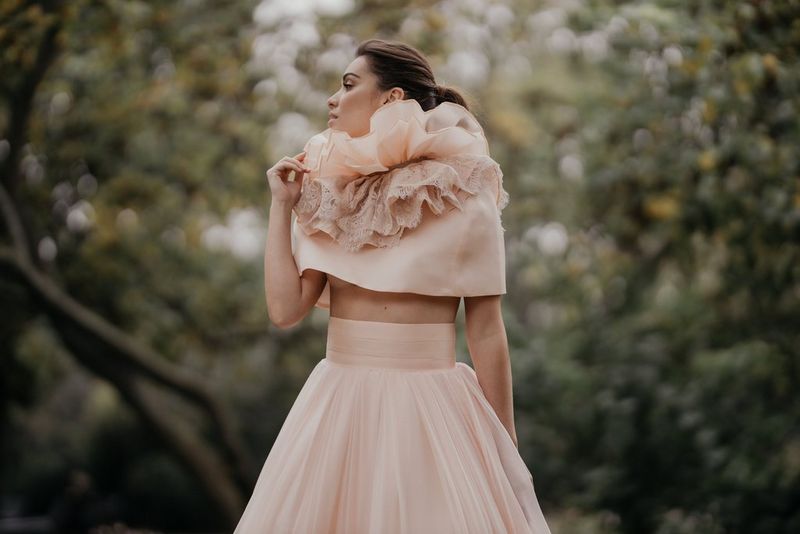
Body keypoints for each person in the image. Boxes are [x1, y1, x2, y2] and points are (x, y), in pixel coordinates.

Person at [234, 38, 552, 534]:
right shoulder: (328, 189)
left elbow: (487, 332)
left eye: (347, 84)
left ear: (390, 99)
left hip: (435, 414)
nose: (332, 100)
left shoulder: (466, 191)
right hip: (338, 405)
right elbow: (284, 310)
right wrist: (282, 205)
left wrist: (504, 446)